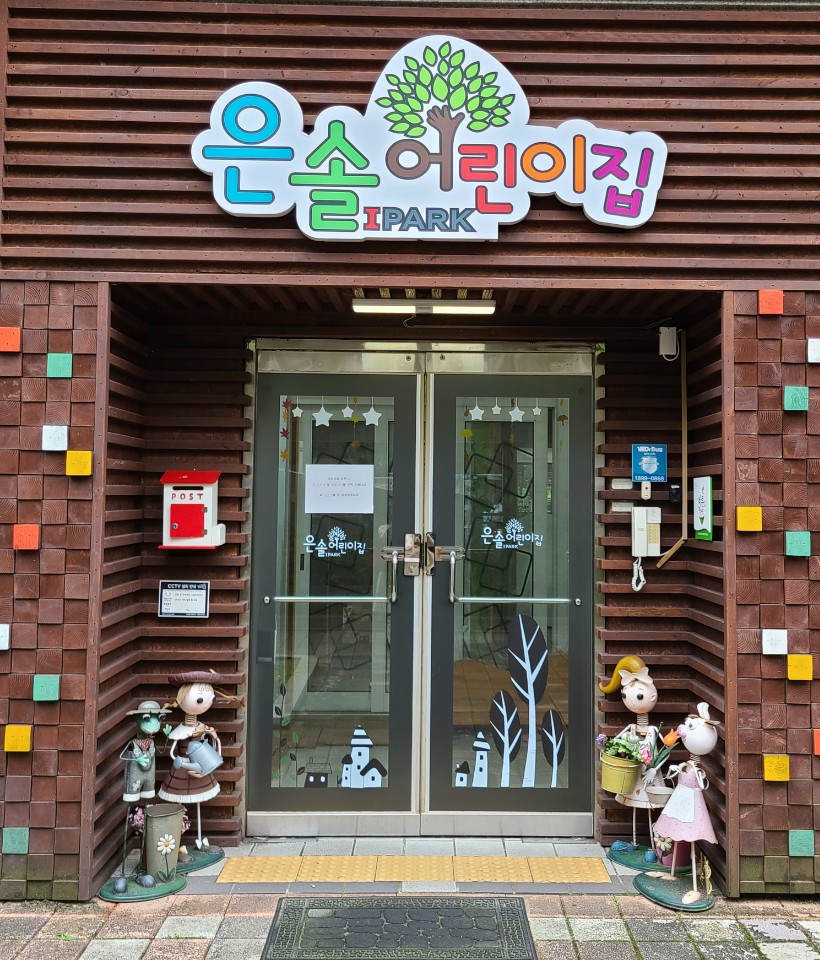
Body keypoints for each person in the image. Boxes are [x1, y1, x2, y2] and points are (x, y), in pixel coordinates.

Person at [157, 670, 234, 850]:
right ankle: (176, 841)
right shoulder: (181, 731)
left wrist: (213, 738)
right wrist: (182, 763)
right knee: (180, 804)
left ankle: (200, 838)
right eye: (199, 699)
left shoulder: (203, 728)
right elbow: (173, 753)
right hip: (184, 769)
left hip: (200, 769)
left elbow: (214, 746)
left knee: (198, 803)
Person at [652, 701, 718, 904]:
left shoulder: (697, 769)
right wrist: (676, 770)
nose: (682, 729)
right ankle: (671, 871)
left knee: (689, 836)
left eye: (689, 726)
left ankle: (695, 887)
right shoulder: (688, 764)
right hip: (679, 800)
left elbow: (701, 784)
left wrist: (693, 775)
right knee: (675, 832)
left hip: (691, 805)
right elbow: (681, 774)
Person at [598, 655, 663, 855]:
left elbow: (663, 753)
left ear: (652, 696)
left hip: (648, 775)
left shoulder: (652, 730)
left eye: (639, 696)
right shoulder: (632, 728)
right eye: (625, 696)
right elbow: (618, 739)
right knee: (634, 806)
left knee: (649, 806)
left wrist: (654, 769)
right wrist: (609, 748)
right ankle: (633, 840)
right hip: (633, 774)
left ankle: (653, 845)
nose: (632, 701)